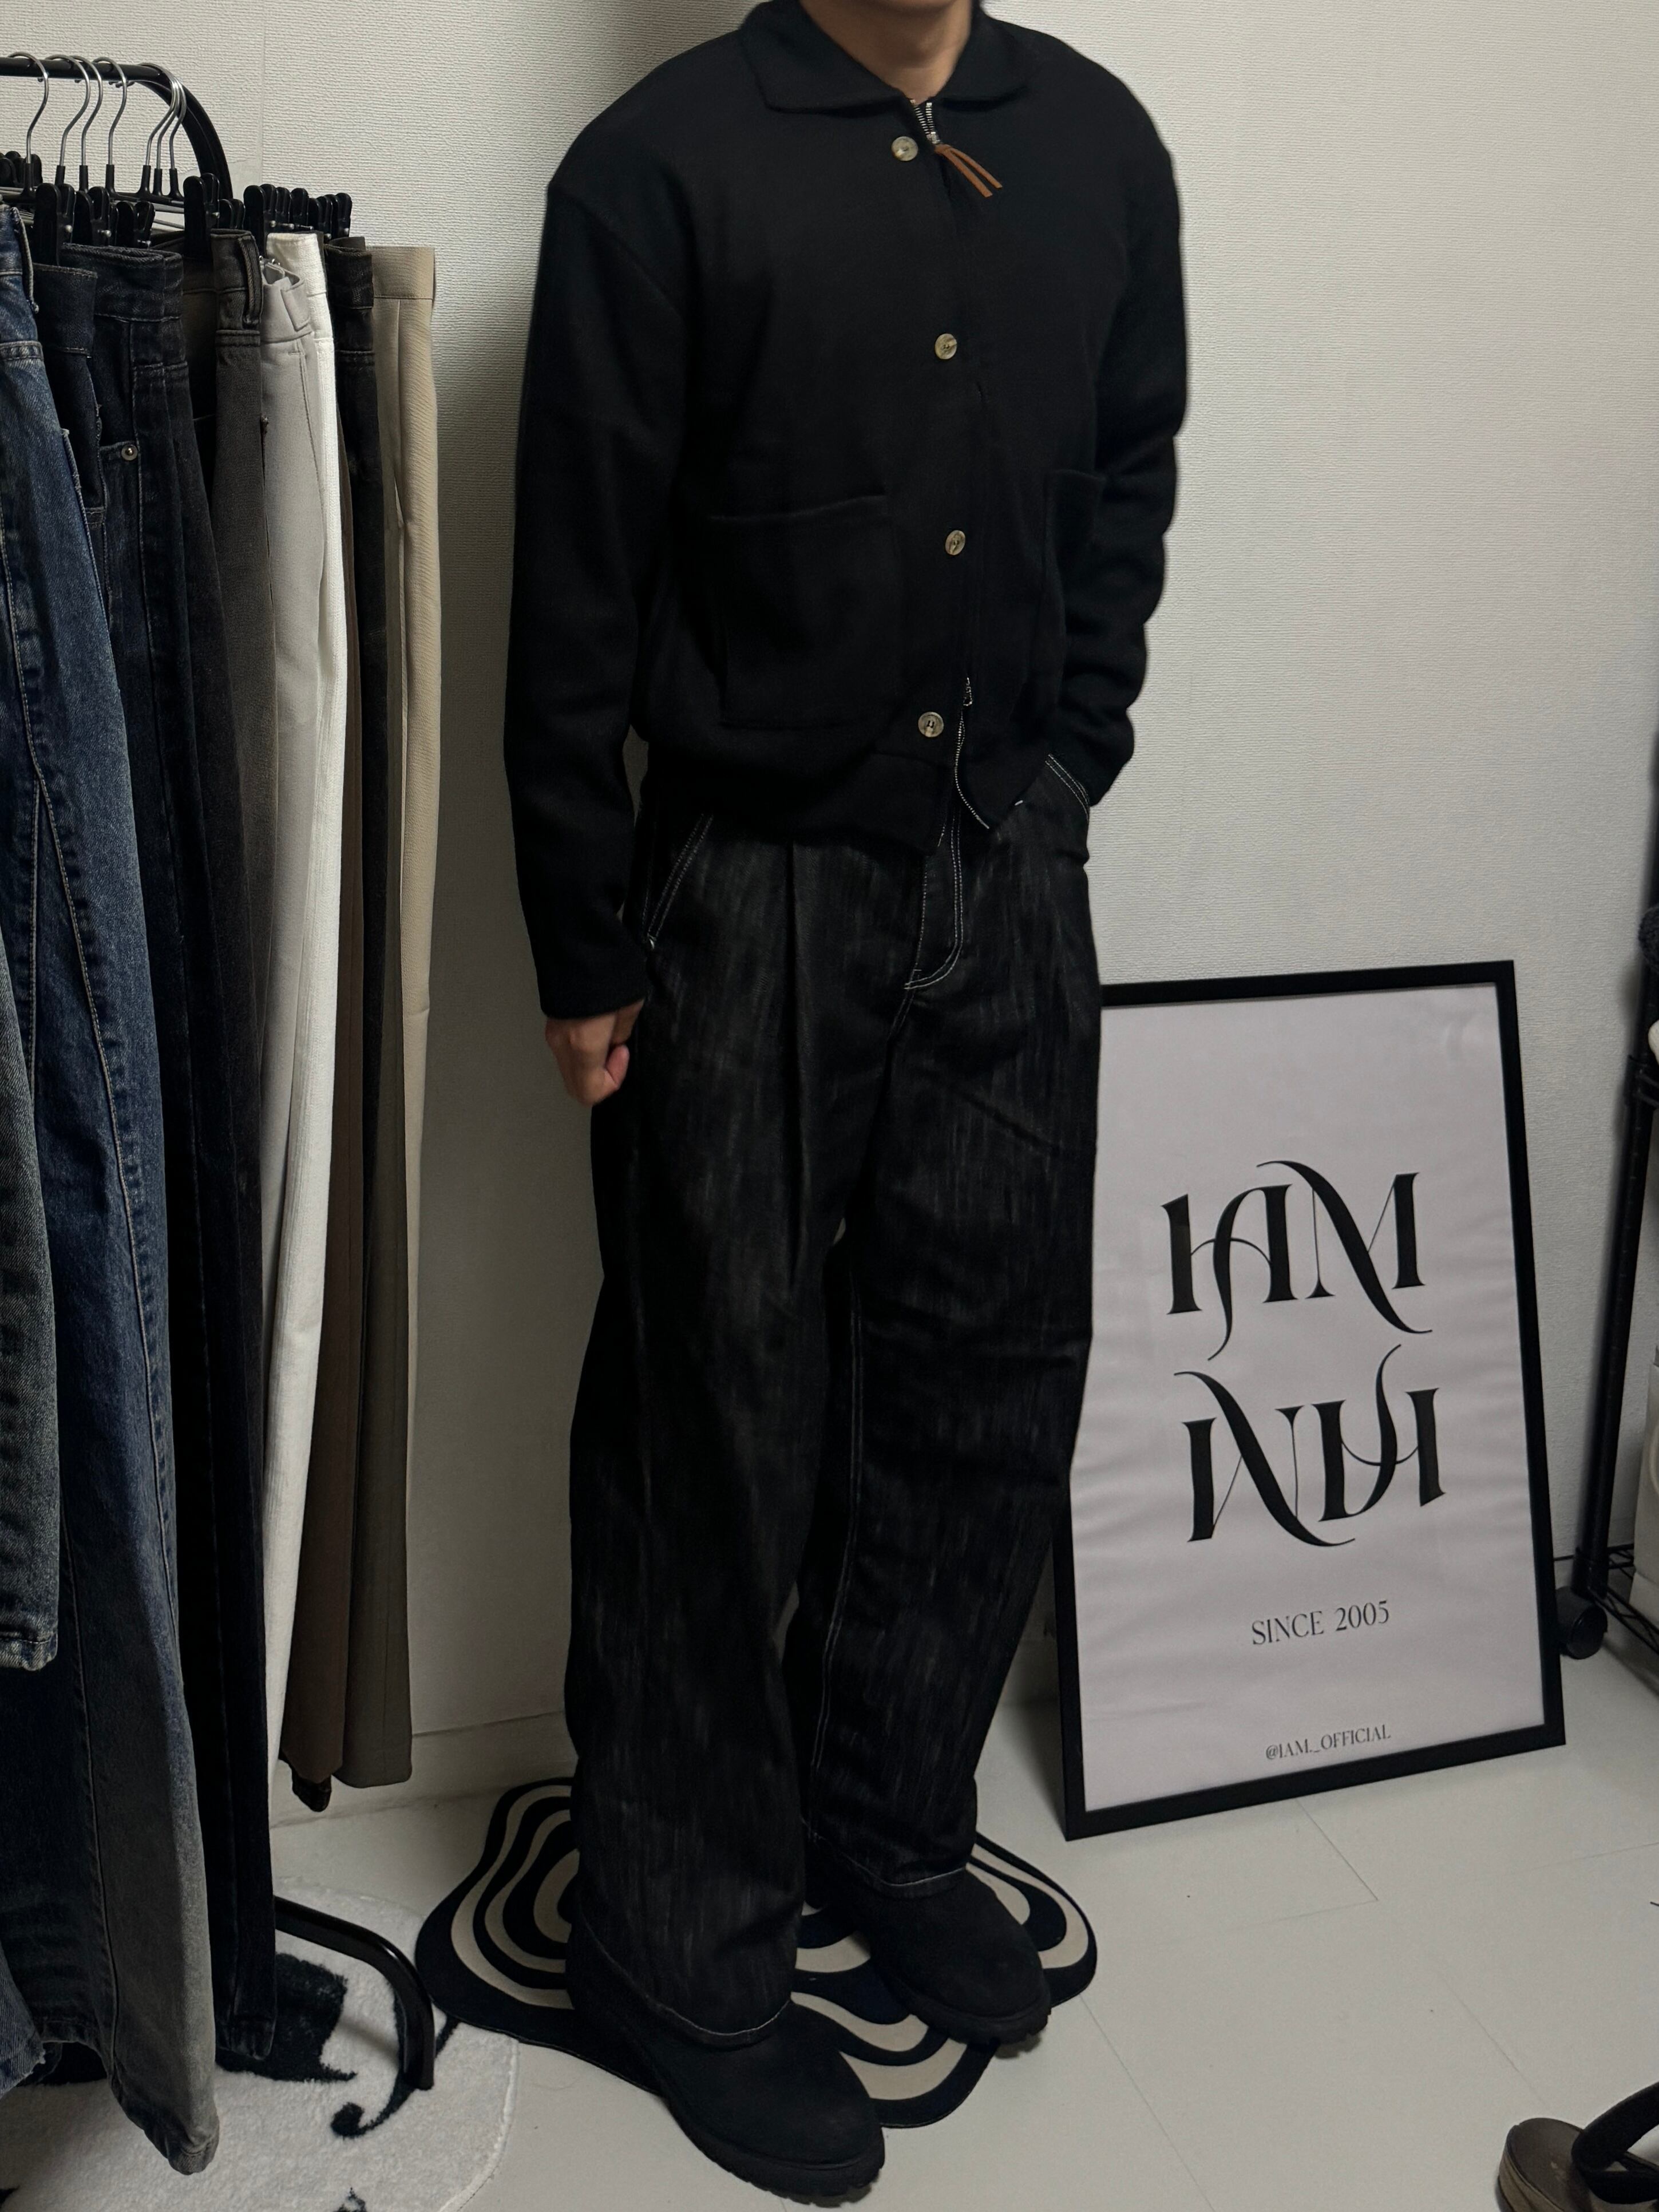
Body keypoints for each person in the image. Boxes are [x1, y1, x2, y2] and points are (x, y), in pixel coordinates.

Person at [504, 0, 1186, 2191]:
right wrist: (583, 937)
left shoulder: (1097, 143)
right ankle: (676, 1945)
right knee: (712, 1423)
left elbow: (1131, 473)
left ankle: (884, 1827)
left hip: (1012, 863)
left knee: (986, 1384)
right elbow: (574, 584)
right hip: (746, 889)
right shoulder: (655, 170)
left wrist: (1071, 757)